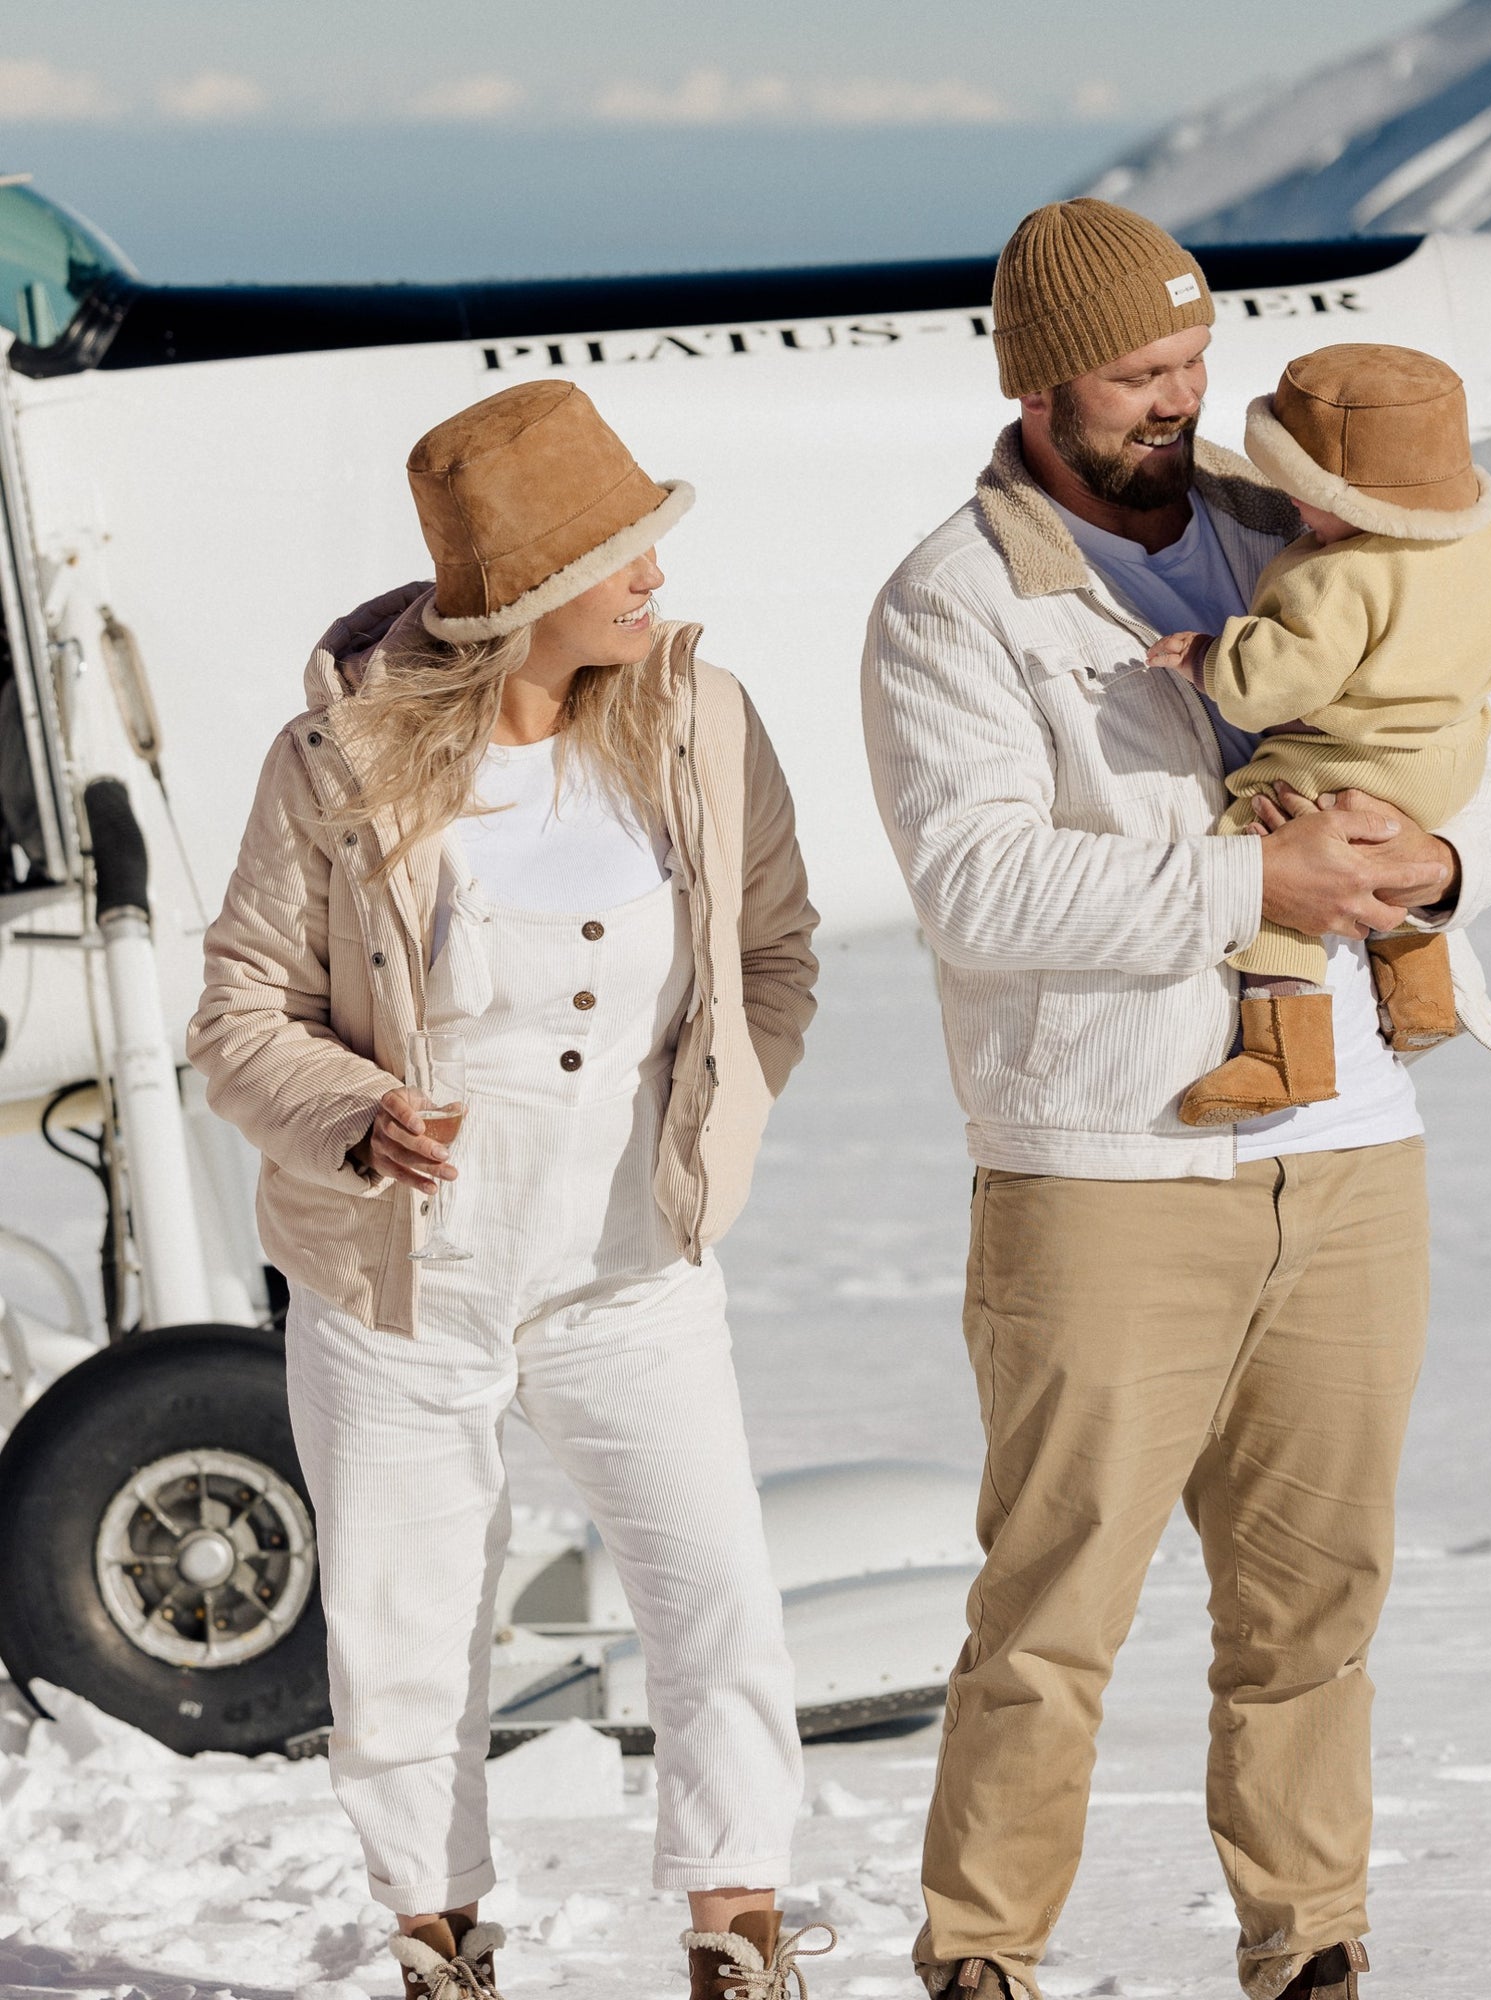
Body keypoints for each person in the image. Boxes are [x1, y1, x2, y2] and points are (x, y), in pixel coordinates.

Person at [859, 200, 1491, 2000]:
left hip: (1354, 1155)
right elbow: (982, 891)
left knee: (1319, 1607)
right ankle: (983, 1957)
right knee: (1053, 1613)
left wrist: (1446, 863)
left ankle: (1309, 1944)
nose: (1182, 397)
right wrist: (1257, 894)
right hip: (1104, 1173)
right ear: (1037, 377)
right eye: (1141, 371)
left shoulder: (1291, 521)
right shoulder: (955, 599)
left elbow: (1476, 724)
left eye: (1194, 358)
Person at [189, 382, 821, 2000]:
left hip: (631, 1273)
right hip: (402, 1281)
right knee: (408, 1639)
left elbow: (771, 957)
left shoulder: (700, 723)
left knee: (718, 1596)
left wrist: (715, 1119)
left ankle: (736, 1931)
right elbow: (241, 1012)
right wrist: (354, 1111)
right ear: (532, 591)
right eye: (626, 557)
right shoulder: (337, 765)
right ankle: (437, 1940)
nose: (658, 583)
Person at [1146, 341, 1491, 1126]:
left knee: (1269, 840)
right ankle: (1420, 995)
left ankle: (1286, 1052)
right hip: (1451, 756)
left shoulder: (1338, 575)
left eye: (1301, 491)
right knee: (1388, 847)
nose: (1293, 509)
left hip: (1361, 755)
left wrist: (1211, 659)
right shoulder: (1480, 543)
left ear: (1344, 499)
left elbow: (1281, 681)